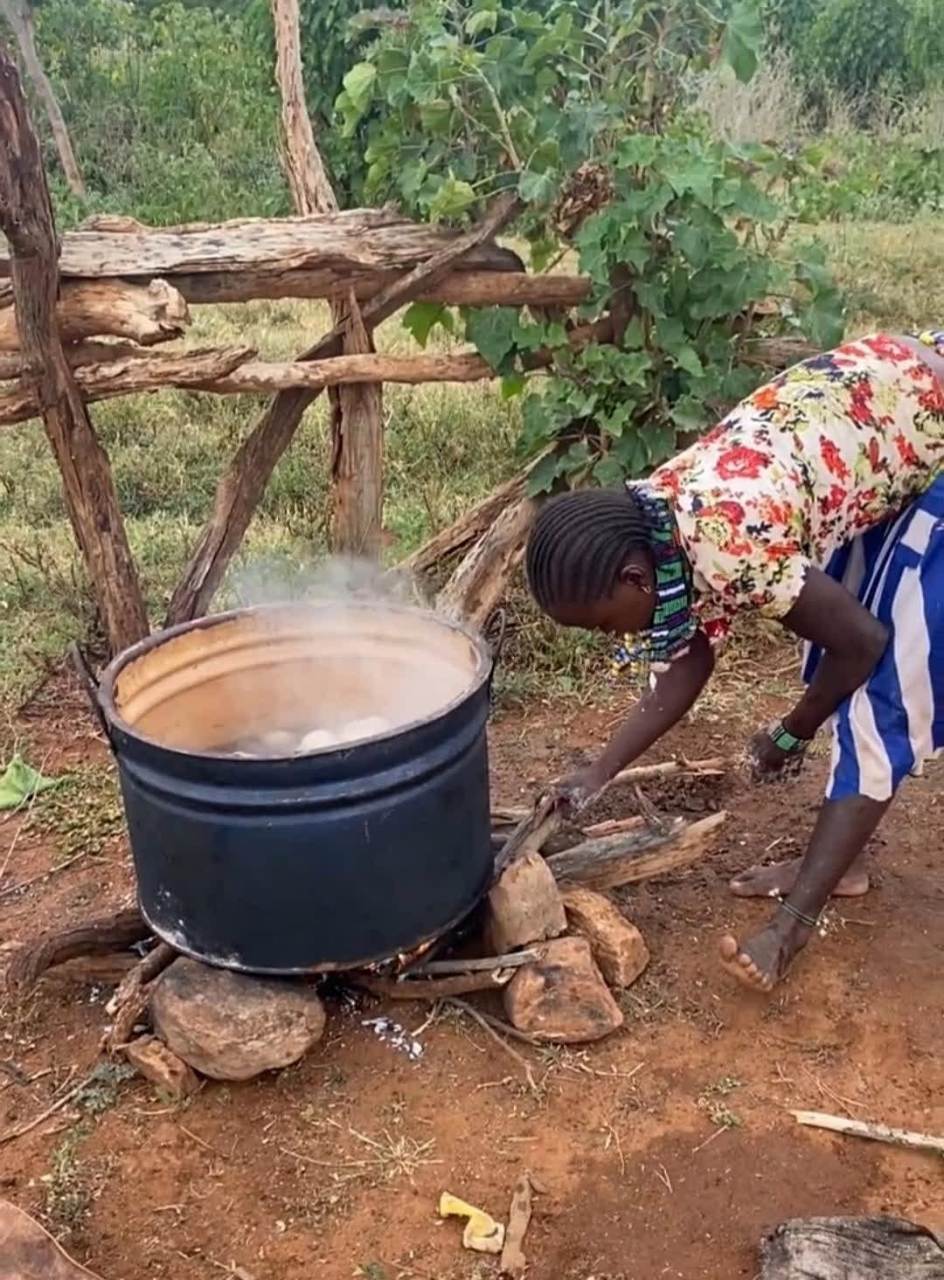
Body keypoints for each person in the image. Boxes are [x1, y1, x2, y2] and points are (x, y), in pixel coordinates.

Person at [524, 330, 944, 992]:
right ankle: (843, 862)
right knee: (830, 638)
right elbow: (689, 660)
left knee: (883, 700)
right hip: (887, 415)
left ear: (635, 580)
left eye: (604, 623)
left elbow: (863, 643)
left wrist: (791, 731)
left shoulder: (727, 541)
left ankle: (793, 925)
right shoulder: (659, 516)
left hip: (923, 421)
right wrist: (597, 773)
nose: (609, 637)